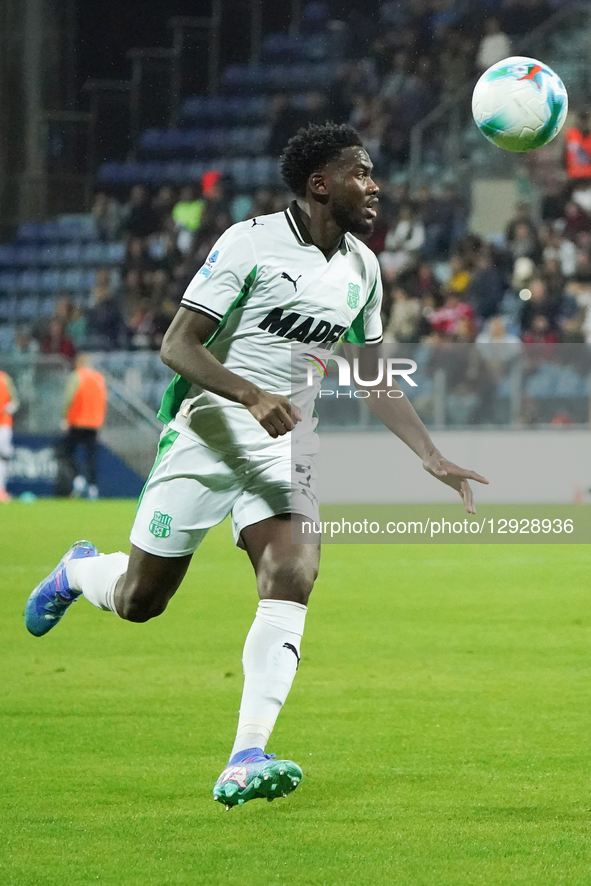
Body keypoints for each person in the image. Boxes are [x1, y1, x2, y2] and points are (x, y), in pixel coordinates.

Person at [24, 123, 488, 809]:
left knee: (292, 571)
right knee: (140, 601)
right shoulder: (248, 243)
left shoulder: (361, 268)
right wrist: (248, 392)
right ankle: (78, 572)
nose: (374, 185)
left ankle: (246, 754)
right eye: (360, 172)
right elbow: (176, 346)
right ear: (319, 183)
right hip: (209, 428)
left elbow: (370, 375)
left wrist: (429, 454)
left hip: (285, 442)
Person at [61, 354, 107, 500]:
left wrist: (65, 418)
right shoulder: (98, 378)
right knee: (91, 457)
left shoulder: (77, 376)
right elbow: (104, 399)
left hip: (77, 421)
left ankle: (78, 479)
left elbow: (69, 397)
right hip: (93, 423)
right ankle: (93, 488)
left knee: (66, 452)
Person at [0, 370, 19, 502]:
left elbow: (15, 401)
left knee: (3, 457)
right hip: (4, 425)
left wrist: (8, 408)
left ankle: (1, 489)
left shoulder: (5, 378)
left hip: (3, 424)